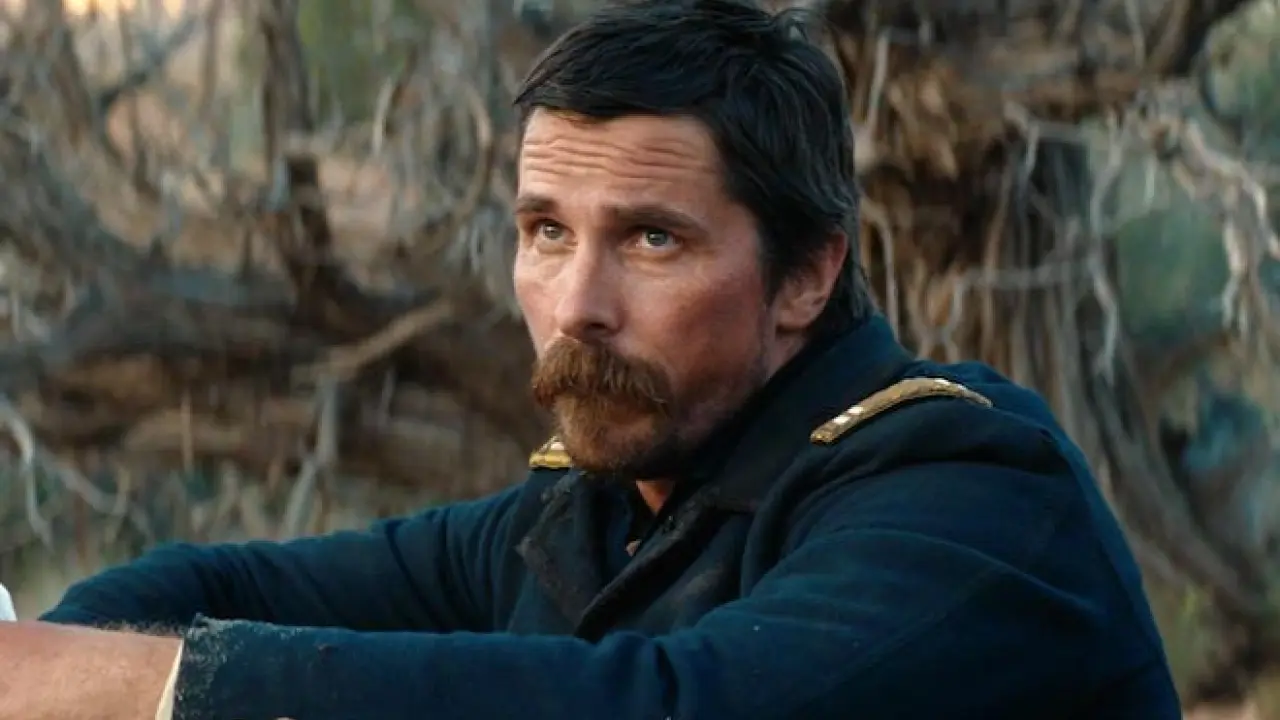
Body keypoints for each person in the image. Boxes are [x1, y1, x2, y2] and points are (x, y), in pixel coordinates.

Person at [0, 1, 1181, 718]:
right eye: (545, 233)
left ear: (806, 277)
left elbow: (681, 705)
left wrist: (155, 690)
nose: (576, 306)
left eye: (651, 239)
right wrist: (41, 665)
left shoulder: (969, 490)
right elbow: (228, 584)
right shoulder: (597, 509)